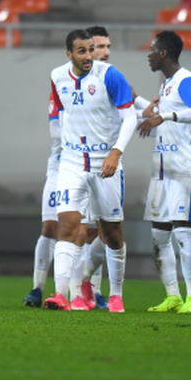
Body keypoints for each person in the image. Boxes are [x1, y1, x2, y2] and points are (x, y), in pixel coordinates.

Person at [46, 30, 138, 312]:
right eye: (82, 51)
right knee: (67, 227)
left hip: (105, 164)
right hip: (72, 163)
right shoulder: (57, 77)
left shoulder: (109, 75)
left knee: (112, 233)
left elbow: (130, 116)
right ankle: (60, 294)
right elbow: (59, 116)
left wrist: (116, 152)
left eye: (90, 50)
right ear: (69, 54)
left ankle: (116, 294)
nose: (88, 56)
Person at [134, 31, 191, 314]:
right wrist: (139, 102)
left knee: (182, 233)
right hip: (162, 170)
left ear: (163, 53)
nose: (149, 54)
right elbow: (165, 124)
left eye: (152, 49)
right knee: (159, 236)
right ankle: (173, 296)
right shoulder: (166, 86)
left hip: (184, 167)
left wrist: (164, 116)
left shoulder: (186, 80)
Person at [73, 25, 114, 310]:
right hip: (81, 163)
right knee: (82, 230)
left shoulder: (112, 77)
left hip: (108, 164)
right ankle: (77, 289)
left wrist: (150, 111)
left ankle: (89, 288)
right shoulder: (72, 80)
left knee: (106, 230)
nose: (105, 52)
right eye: (100, 47)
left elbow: (132, 105)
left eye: (107, 47)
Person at [24, 95, 61, 308]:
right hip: (58, 167)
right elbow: (55, 130)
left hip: (88, 167)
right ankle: (37, 288)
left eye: (105, 57)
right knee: (49, 226)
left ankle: (86, 292)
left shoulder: (106, 85)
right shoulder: (61, 82)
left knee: (87, 232)